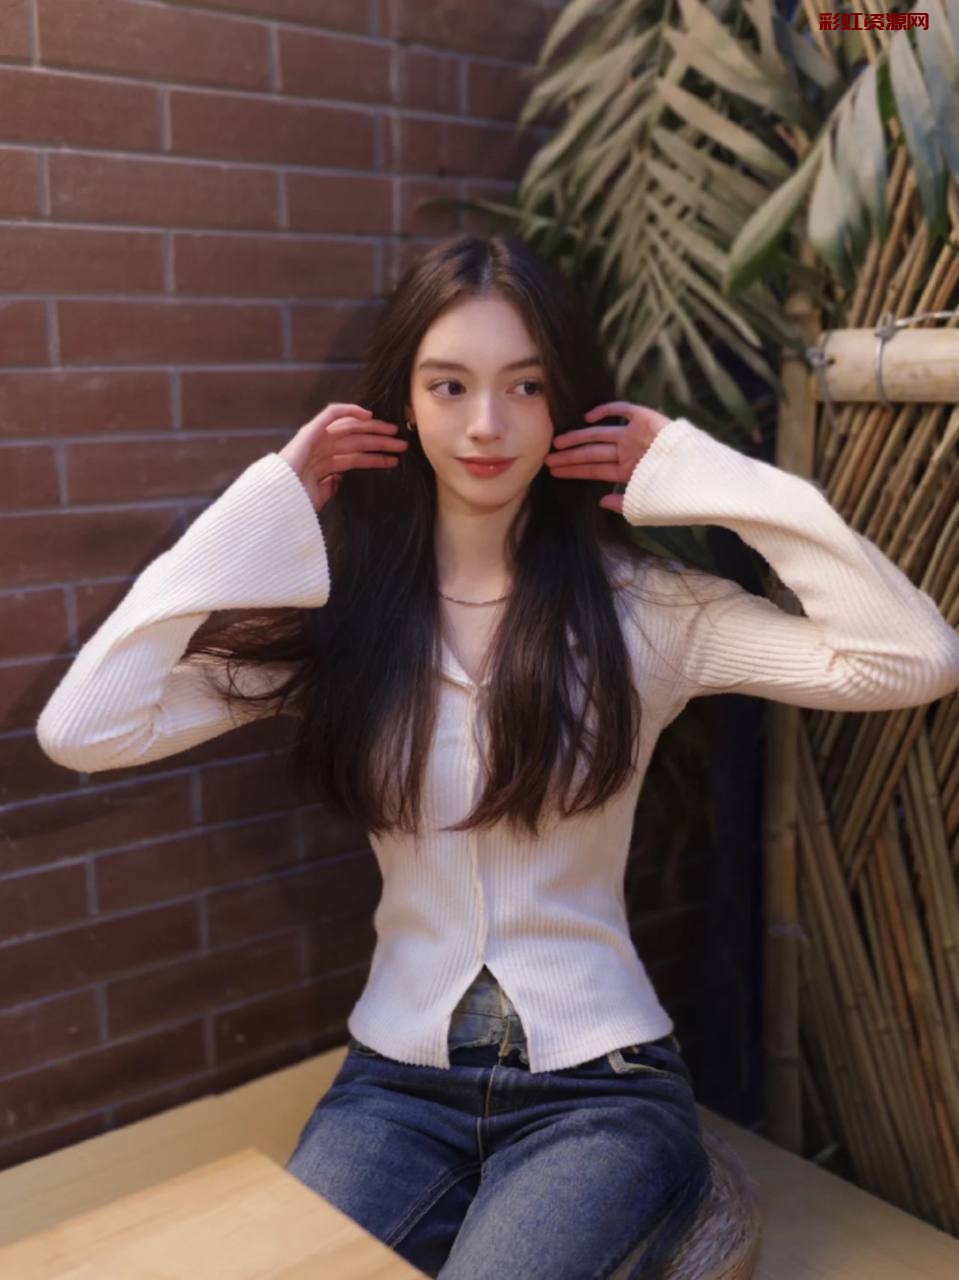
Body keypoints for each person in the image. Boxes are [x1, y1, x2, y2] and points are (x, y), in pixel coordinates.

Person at [35, 234, 959, 1279]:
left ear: (564, 402)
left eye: (525, 385)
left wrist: (711, 476)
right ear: (401, 404)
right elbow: (87, 726)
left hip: (600, 1090)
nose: (486, 424)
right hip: (393, 1087)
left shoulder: (646, 612)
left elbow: (912, 658)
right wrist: (268, 502)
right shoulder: (347, 622)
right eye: (449, 385)